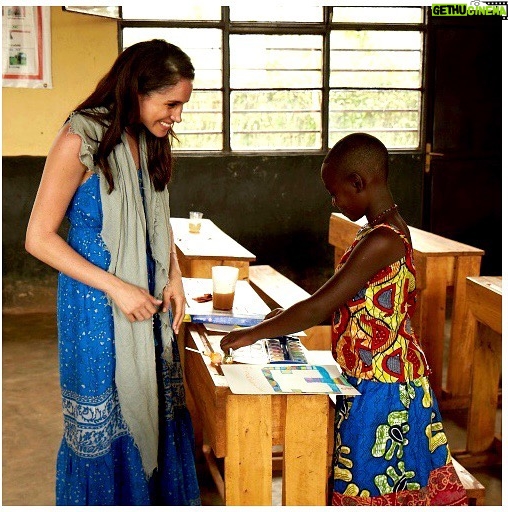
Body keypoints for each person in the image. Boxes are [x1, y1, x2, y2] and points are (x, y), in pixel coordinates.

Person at [220, 133, 468, 506]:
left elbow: (321, 305)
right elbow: (340, 299)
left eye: (336, 193)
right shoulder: (377, 231)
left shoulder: (382, 240)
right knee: (373, 478)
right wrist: (283, 317)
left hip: (384, 386)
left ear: (358, 182)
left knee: (376, 482)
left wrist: (252, 333)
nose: (334, 202)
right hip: (370, 376)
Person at [25, 39, 201, 506]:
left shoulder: (147, 137)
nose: (177, 117)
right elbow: (38, 238)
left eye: (182, 105)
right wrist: (117, 287)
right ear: (138, 90)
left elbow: (155, 218)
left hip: (147, 299)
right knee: (106, 423)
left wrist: (174, 276)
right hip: (96, 308)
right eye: (171, 104)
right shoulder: (79, 140)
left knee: (154, 411)